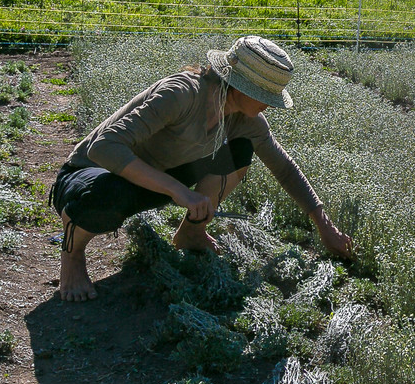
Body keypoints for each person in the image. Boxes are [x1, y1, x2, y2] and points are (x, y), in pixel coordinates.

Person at [47, 35, 353, 302]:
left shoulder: (246, 121)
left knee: (239, 150)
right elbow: (103, 147)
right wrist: (179, 191)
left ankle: (192, 233)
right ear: (240, 86)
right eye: (265, 97)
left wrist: (325, 227)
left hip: (154, 181)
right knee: (107, 195)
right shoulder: (182, 94)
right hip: (90, 176)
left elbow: (285, 169)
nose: (270, 105)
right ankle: (72, 256)